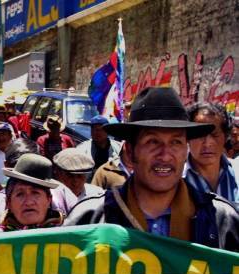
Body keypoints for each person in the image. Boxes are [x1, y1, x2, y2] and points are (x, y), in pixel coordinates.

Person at [65, 87, 238, 251]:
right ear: (131, 151)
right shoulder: (90, 219)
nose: (165, 155)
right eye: (152, 142)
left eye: (176, 142)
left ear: (186, 150)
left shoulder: (221, 221)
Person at [184, 102, 238, 203]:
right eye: (200, 135)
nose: (208, 143)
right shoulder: (174, 179)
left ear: (225, 137)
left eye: (214, 135)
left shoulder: (237, 172)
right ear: (187, 138)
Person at [0, 154, 63, 231]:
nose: (29, 202)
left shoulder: (69, 238)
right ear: (8, 203)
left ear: (49, 200)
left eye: (35, 193)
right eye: (20, 194)